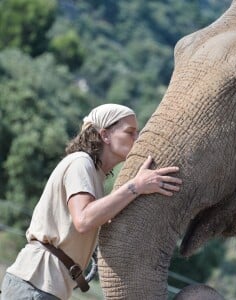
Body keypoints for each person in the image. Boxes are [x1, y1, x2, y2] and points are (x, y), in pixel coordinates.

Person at [1, 103, 182, 300]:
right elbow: (84, 219)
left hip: (42, 286)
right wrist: (136, 186)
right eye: (130, 132)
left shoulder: (95, 175)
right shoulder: (81, 163)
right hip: (35, 284)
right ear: (105, 135)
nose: (137, 139)